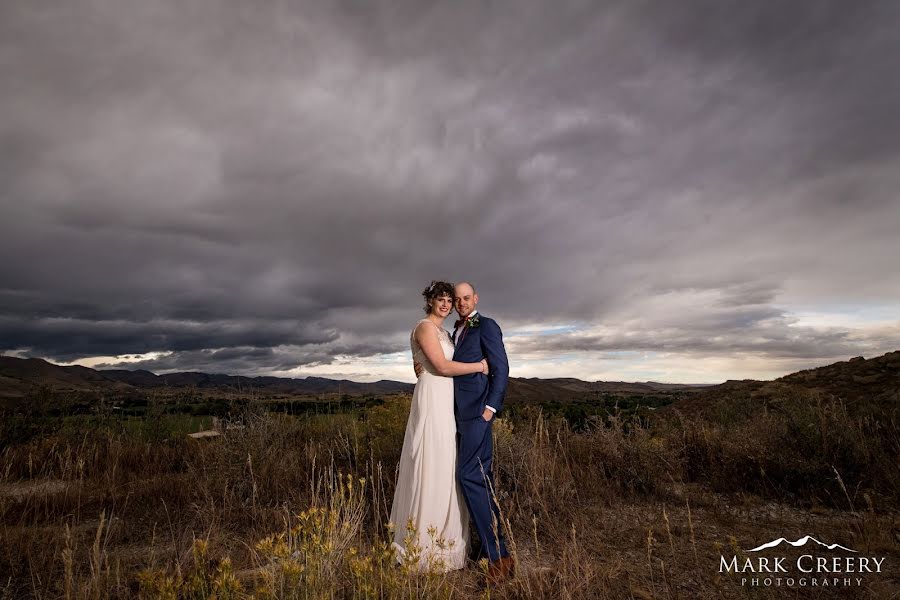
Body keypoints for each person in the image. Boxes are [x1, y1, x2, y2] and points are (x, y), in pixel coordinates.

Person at [388, 280, 488, 571]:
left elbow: (426, 361)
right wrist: (480, 366)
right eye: (440, 299)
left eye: (449, 300)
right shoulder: (424, 327)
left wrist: (418, 364)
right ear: (430, 301)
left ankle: (445, 536)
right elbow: (442, 367)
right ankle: (423, 542)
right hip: (433, 398)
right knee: (430, 460)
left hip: (447, 400)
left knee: (446, 463)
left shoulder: (445, 331)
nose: (446, 304)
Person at [449, 281, 514, 583]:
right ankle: (496, 549)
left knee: (469, 477)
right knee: (479, 479)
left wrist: (491, 408)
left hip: (478, 414)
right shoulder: (457, 330)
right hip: (458, 415)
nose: (461, 303)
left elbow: (501, 368)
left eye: (466, 298)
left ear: (475, 298)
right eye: (457, 299)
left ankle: (497, 557)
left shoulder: (486, 325)